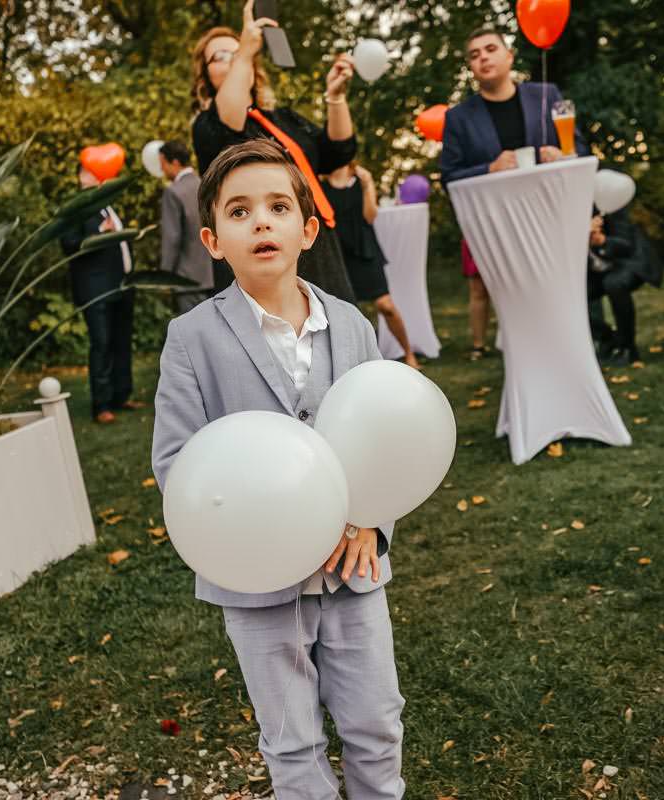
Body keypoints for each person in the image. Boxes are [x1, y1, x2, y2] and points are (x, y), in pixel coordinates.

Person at [150, 140, 405, 799]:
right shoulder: (192, 339)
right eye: (240, 211)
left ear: (307, 227)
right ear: (212, 239)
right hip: (257, 584)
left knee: (376, 722)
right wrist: (245, 538)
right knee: (292, 741)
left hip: (353, 569)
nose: (261, 221)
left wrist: (370, 523)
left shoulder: (349, 324)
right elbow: (177, 461)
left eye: (277, 206)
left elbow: (383, 435)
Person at [188, 0, 358, 303]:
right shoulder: (208, 125)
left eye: (237, 51)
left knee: (334, 331)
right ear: (205, 75)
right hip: (261, 249)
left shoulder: (284, 118)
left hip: (314, 241)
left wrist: (335, 98)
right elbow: (229, 125)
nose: (233, 58)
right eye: (220, 56)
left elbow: (337, 152)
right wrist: (245, 50)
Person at [440, 27, 588, 360]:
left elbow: (579, 147)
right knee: (515, 303)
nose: (483, 58)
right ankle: (527, 362)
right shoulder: (459, 117)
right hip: (498, 228)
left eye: (490, 49)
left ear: (509, 56)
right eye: (474, 55)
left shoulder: (546, 94)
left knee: (555, 297)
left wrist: (563, 154)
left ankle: (566, 355)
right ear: (471, 68)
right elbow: (448, 175)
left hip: (550, 218)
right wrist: (489, 168)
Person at [59, 163, 141, 424]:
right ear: (82, 176)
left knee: (121, 342)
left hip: (121, 285)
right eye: (94, 171)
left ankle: (121, 394)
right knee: (102, 344)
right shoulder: (77, 208)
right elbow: (69, 244)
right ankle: (101, 404)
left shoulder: (108, 206)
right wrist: (99, 232)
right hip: (96, 289)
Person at [322, 162, 422, 369]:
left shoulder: (361, 181)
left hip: (365, 251)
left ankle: (409, 354)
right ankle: (352, 364)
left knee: (386, 306)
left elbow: (370, 216)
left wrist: (368, 185)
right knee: (343, 313)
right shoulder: (320, 184)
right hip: (339, 255)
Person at [587, 204, 664, 365]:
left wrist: (602, 240)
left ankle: (628, 348)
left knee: (614, 284)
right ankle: (607, 337)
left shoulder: (607, 205)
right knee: (570, 297)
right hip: (596, 271)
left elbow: (626, 244)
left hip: (627, 263)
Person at [157, 140, 213, 313]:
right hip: (210, 274)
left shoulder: (173, 192)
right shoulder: (206, 185)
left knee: (191, 335)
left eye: (163, 164)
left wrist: (165, 276)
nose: (162, 170)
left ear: (174, 162)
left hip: (186, 277)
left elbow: (172, 238)